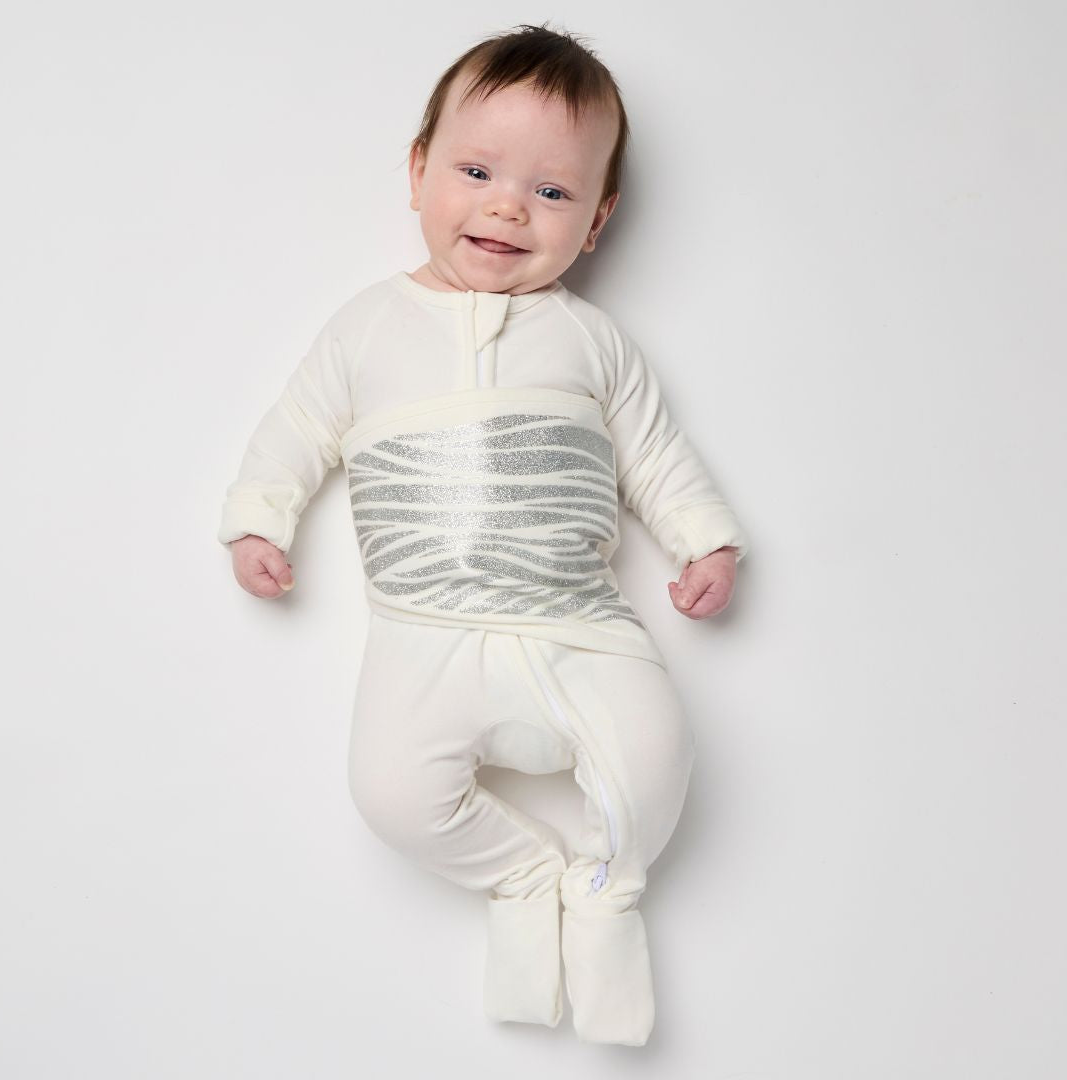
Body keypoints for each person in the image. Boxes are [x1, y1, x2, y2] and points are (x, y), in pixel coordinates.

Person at [217, 22, 749, 1046]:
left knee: (658, 753)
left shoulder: (593, 341)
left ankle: (603, 888)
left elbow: (655, 453)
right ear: (419, 173)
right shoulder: (366, 326)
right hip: (425, 633)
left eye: (552, 190)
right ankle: (523, 878)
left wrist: (705, 541)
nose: (509, 206)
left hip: (578, 624)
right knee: (390, 794)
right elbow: (295, 431)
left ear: (596, 221)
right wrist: (257, 521)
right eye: (476, 172)